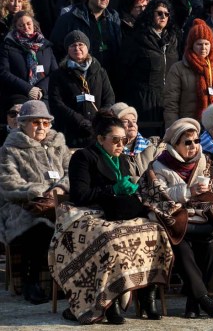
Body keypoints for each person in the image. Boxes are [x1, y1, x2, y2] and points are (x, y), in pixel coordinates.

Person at [56, 110, 173, 324]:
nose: (121, 145)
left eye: (124, 140)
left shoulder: (122, 160)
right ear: (101, 139)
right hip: (90, 213)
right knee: (112, 239)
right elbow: (80, 195)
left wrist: (129, 191)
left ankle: (148, 295)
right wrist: (112, 189)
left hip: (118, 210)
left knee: (155, 230)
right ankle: (109, 301)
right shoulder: (84, 157)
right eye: (116, 140)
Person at [141, 118, 213, 318]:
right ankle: (202, 299)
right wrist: (188, 191)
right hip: (171, 219)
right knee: (180, 242)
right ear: (175, 144)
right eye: (187, 142)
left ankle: (193, 301)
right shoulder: (158, 165)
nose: (194, 146)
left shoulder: (205, 161)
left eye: (196, 141)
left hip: (198, 218)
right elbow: (158, 196)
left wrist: (205, 194)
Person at [0, 100, 70, 305]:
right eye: (35, 122)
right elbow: (8, 183)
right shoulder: (10, 148)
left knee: (77, 223)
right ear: (23, 124)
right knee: (40, 225)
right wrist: (39, 193)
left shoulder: (58, 144)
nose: (41, 127)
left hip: (58, 202)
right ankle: (31, 282)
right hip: (21, 205)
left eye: (45, 123)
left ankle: (65, 280)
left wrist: (60, 188)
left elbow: (72, 172)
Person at [120, 0, 180, 135]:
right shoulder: (137, 38)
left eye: (166, 14)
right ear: (149, 14)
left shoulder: (173, 40)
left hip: (167, 99)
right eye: (159, 13)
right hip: (143, 100)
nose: (163, 16)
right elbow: (123, 71)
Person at [48, 30, 115, 148]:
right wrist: (79, 120)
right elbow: (56, 102)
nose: (77, 48)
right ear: (67, 49)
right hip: (70, 133)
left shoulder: (100, 72)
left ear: (87, 47)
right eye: (73, 45)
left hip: (96, 132)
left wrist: (99, 120)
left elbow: (109, 98)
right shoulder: (58, 74)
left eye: (81, 44)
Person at [164, 18, 213, 127]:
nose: (203, 48)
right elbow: (171, 104)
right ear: (191, 45)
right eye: (199, 44)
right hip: (189, 126)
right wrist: (174, 129)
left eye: (206, 44)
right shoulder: (178, 69)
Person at [50, 0, 121, 79]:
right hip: (79, 76)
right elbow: (56, 47)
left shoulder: (113, 18)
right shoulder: (69, 19)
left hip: (109, 77)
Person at [0, 11, 57, 106]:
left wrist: (41, 90)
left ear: (34, 25)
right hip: (18, 96)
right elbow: (3, 72)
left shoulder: (46, 46)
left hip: (43, 96)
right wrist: (28, 89)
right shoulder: (7, 46)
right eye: (21, 26)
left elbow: (55, 73)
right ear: (15, 28)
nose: (26, 28)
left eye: (28, 24)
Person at [109, 102, 165, 182]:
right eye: (125, 121)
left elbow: (162, 175)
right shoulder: (112, 151)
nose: (132, 124)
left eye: (134, 121)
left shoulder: (151, 147)